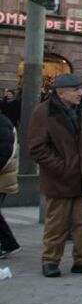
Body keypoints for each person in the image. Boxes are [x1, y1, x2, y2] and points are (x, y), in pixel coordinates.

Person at [27, 73, 82, 277]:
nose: (81, 93)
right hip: (59, 178)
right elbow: (37, 148)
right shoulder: (43, 112)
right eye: (75, 89)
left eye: (80, 88)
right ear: (60, 93)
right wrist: (61, 167)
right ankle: (50, 261)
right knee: (56, 223)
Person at [0, 110, 20, 258]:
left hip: (2, 176)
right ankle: (8, 244)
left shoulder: (3, 123)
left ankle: (6, 244)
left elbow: (5, 152)